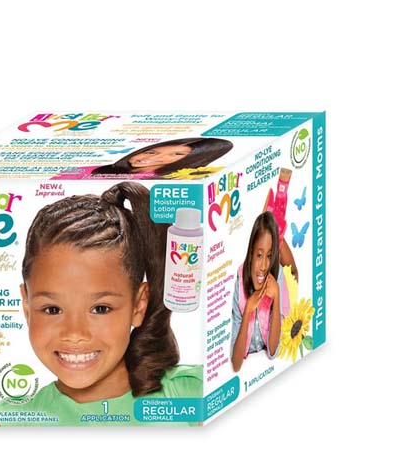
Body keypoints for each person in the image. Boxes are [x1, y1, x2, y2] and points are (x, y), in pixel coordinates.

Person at [0, 182, 202, 426]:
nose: (75, 333)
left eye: (100, 309)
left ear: (138, 305)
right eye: (52, 309)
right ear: (27, 306)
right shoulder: (3, 426)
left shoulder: (193, 395)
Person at [231, 212, 290, 372]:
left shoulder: (276, 276)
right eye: (259, 255)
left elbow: (273, 351)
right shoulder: (240, 281)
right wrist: (248, 309)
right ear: (251, 253)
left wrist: (277, 296)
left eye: (269, 256)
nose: (264, 266)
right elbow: (236, 364)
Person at [90, 137, 233, 178]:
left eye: (177, 154)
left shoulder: (181, 178)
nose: (154, 157)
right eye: (151, 152)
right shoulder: (96, 171)